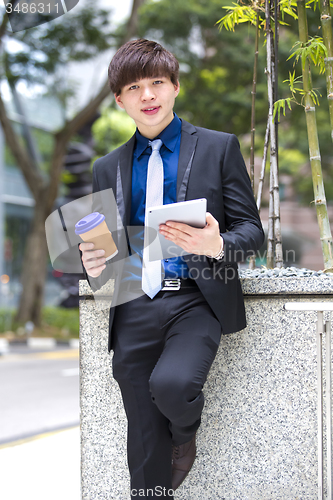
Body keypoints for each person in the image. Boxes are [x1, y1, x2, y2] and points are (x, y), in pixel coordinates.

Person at [79, 39, 264, 499]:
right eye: (134, 87)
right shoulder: (107, 168)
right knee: (142, 435)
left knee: (173, 384)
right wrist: (91, 263)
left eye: (157, 82)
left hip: (196, 300)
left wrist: (216, 243)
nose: (148, 95)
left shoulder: (219, 148)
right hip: (133, 303)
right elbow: (103, 252)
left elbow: (253, 233)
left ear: (175, 86)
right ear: (119, 100)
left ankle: (184, 437)